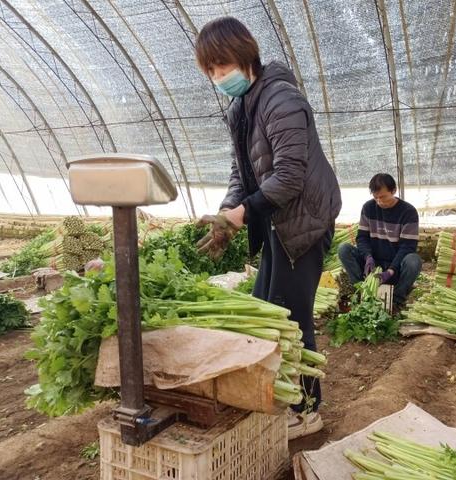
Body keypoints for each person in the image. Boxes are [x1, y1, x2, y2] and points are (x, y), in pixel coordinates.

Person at [195, 17, 341, 440]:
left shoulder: (281, 98)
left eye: (222, 66)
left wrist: (244, 213)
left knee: (292, 318)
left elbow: (290, 176)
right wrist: (228, 210)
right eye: (211, 71)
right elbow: (241, 173)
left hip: (305, 220)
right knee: (267, 309)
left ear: (245, 53)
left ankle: (309, 408)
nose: (219, 77)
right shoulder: (240, 108)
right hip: (277, 221)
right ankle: (285, 397)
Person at [338, 174, 421, 311]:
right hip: (372, 268)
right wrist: (368, 257)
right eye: (375, 197)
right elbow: (362, 238)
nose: (379, 201)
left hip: (395, 268)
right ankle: (361, 291)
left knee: (414, 260)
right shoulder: (368, 208)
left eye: (383, 197)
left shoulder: (408, 212)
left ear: (393, 191)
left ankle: (396, 300)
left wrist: (391, 271)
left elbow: (407, 247)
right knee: (344, 249)